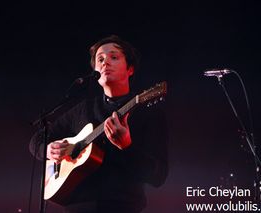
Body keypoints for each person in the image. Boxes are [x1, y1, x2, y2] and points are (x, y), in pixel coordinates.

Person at [29, 35, 169, 212]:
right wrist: (48, 149)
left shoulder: (148, 113)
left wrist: (126, 147)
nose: (105, 63)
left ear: (130, 69)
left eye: (114, 57)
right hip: (77, 206)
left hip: (122, 206)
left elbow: (158, 176)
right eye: (100, 59)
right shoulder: (84, 109)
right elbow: (37, 139)